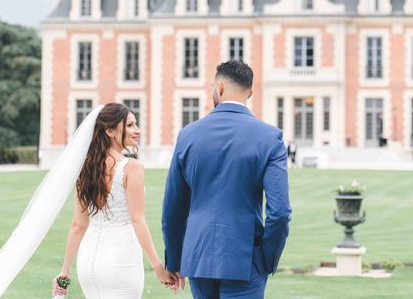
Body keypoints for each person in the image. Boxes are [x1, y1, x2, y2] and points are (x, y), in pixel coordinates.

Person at [162, 61, 291, 299]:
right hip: (245, 257)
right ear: (250, 93)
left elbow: (173, 208)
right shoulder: (270, 138)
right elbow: (280, 212)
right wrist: (266, 258)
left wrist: (175, 260)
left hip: (198, 257)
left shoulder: (188, 135)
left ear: (218, 87)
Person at [52, 103, 178, 297]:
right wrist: (158, 267)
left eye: (136, 124)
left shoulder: (85, 169)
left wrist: (64, 272)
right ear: (110, 131)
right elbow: (137, 220)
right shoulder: (132, 167)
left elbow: (78, 224)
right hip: (121, 261)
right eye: (130, 125)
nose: (137, 130)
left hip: (88, 264)